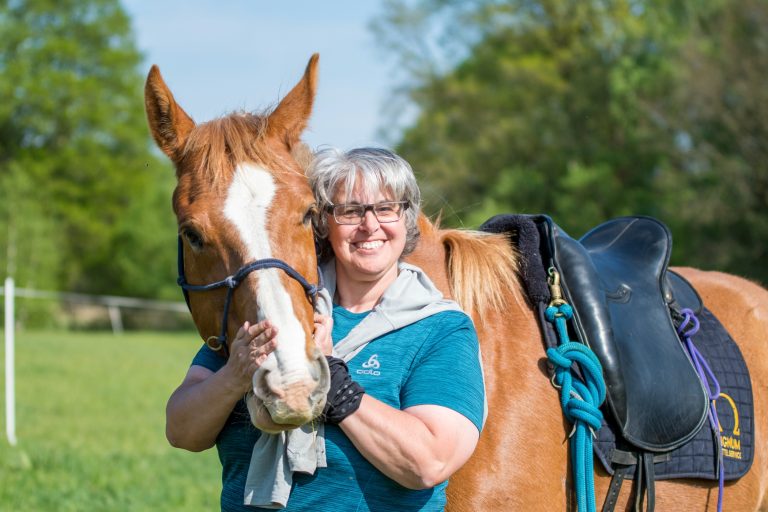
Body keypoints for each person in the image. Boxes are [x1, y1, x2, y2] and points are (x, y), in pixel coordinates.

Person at [165, 147, 486, 511]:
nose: (370, 225)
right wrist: (234, 375)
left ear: (406, 218)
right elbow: (181, 431)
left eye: (386, 208)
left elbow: (429, 463)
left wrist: (334, 382)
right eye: (350, 210)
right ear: (321, 223)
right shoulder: (270, 309)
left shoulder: (440, 328)